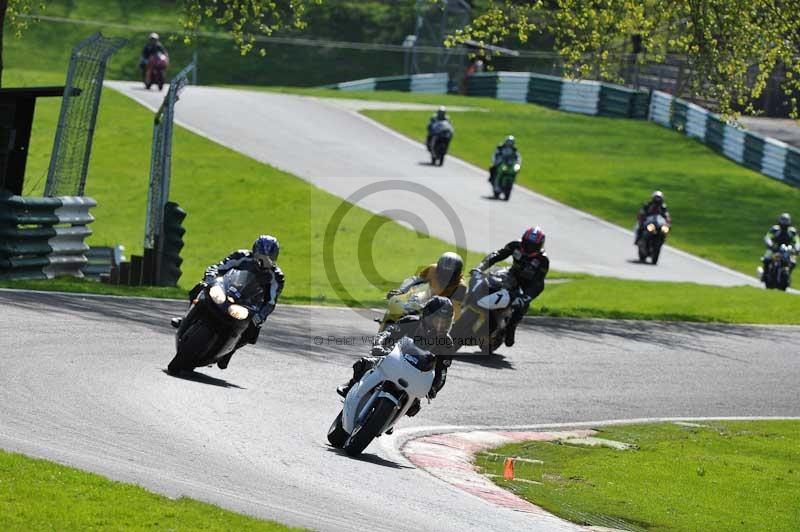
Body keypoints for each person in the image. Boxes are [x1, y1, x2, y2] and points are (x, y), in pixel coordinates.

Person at [171, 235, 284, 369]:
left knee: (252, 329)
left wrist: (259, 316)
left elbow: (270, 302)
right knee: (201, 286)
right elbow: (218, 267)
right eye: (260, 256)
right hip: (227, 290)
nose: (262, 261)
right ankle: (186, 317)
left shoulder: (276, 276)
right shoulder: (241, 256)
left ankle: (229, 352)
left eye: (268, 259)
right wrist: (210, 277)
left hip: (248, 303)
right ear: (254, 251)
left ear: (274, 258)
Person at [337, 296, 455, 417]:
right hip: (393, 361)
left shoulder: (446, 343)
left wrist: (434, 388)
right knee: (364, 364)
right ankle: (351, 386)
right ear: (427, 316)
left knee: (414, 408)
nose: (440, 326)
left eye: (444, 322)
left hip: (415, 377)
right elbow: (387, 334)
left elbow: (442, 372)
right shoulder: (411, 322)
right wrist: (379, 345)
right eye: (436, 320)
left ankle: (390, 417)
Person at [472, 226, 549, 347]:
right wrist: (480, 267)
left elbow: (538, 283)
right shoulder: (515, 245)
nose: (528, 248)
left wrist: (526, 297)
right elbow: (497, 255)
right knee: (490, 280)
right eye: (527, 243)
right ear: (523, 240)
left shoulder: (543, 260)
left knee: (521, 306)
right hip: (512, 274)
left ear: (539, 245)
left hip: (527, 284)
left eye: (532, 245)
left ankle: (511, 328)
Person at [386, 251, 465, 301]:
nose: (445, 276)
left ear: (457, 274)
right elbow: (415, 280)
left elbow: (457, 307)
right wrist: (401, 291)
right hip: (427, 298)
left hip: (444, 309)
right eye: (443, 272)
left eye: (449, 274)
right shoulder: (432, 269)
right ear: (438, 268)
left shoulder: (461, 286)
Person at [761, 213, 799, 279]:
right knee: (766, 259)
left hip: (788, 250)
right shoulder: (775, 229)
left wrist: (797, 248)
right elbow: (768, 237)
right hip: (775, 248)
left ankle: (788, 275)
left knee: (793, 262)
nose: (784, 222)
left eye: (786, 220)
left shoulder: (792, 231)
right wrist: (770, 245)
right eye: (783, 220)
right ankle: (765, 274)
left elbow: (797, 241)